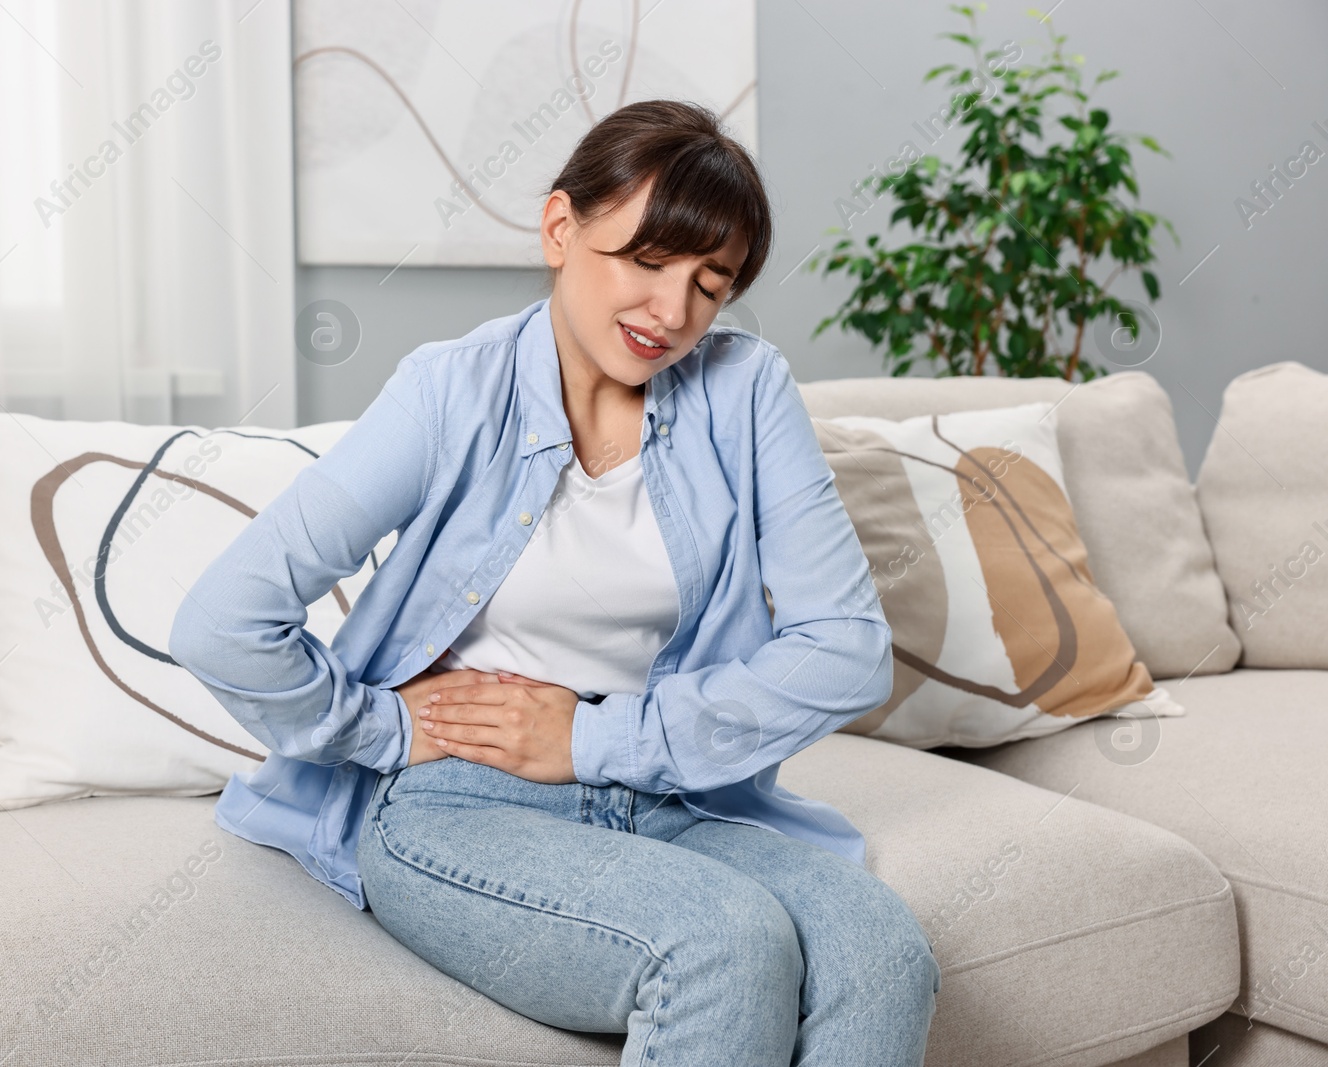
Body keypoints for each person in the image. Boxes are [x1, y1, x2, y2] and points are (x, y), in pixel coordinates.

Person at [169, 99, 939, 1066]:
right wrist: (387, 728)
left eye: (711, 283)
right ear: (560, 227)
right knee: (724, 945)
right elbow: (223, 620)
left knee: (881, 953)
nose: (674, 313)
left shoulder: (746, 390)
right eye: (647, 262)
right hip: (465, 803)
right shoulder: (449, 392)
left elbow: (849, 651)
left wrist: (594, 737)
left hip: (669, 792)